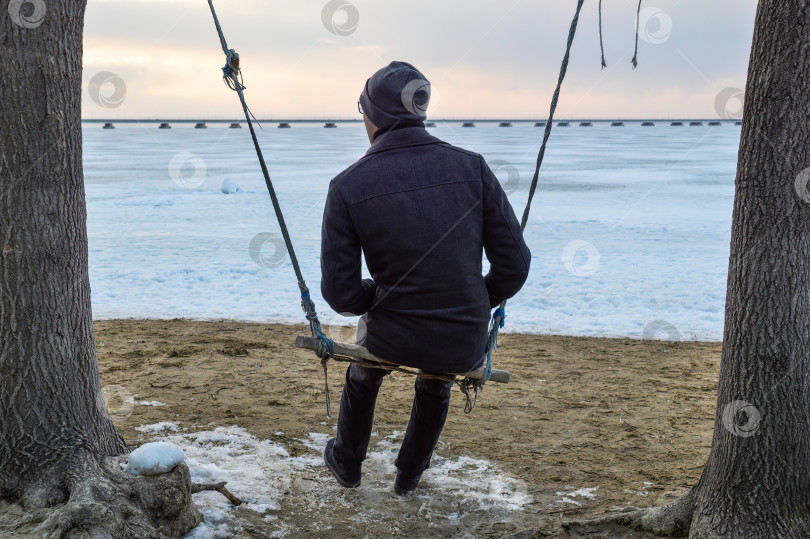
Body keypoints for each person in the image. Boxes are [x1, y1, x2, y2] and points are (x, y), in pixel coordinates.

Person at [320, 61, 530, 495]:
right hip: (462, 335)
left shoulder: (347, 186)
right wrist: (473, 298)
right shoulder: (472, 168)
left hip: (393, 331)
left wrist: (379, 296)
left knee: (365, 363)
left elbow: (340, 293)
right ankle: (409, 475)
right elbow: (516, 265)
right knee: (438, 373)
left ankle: (347, 461)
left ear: (372, 114)